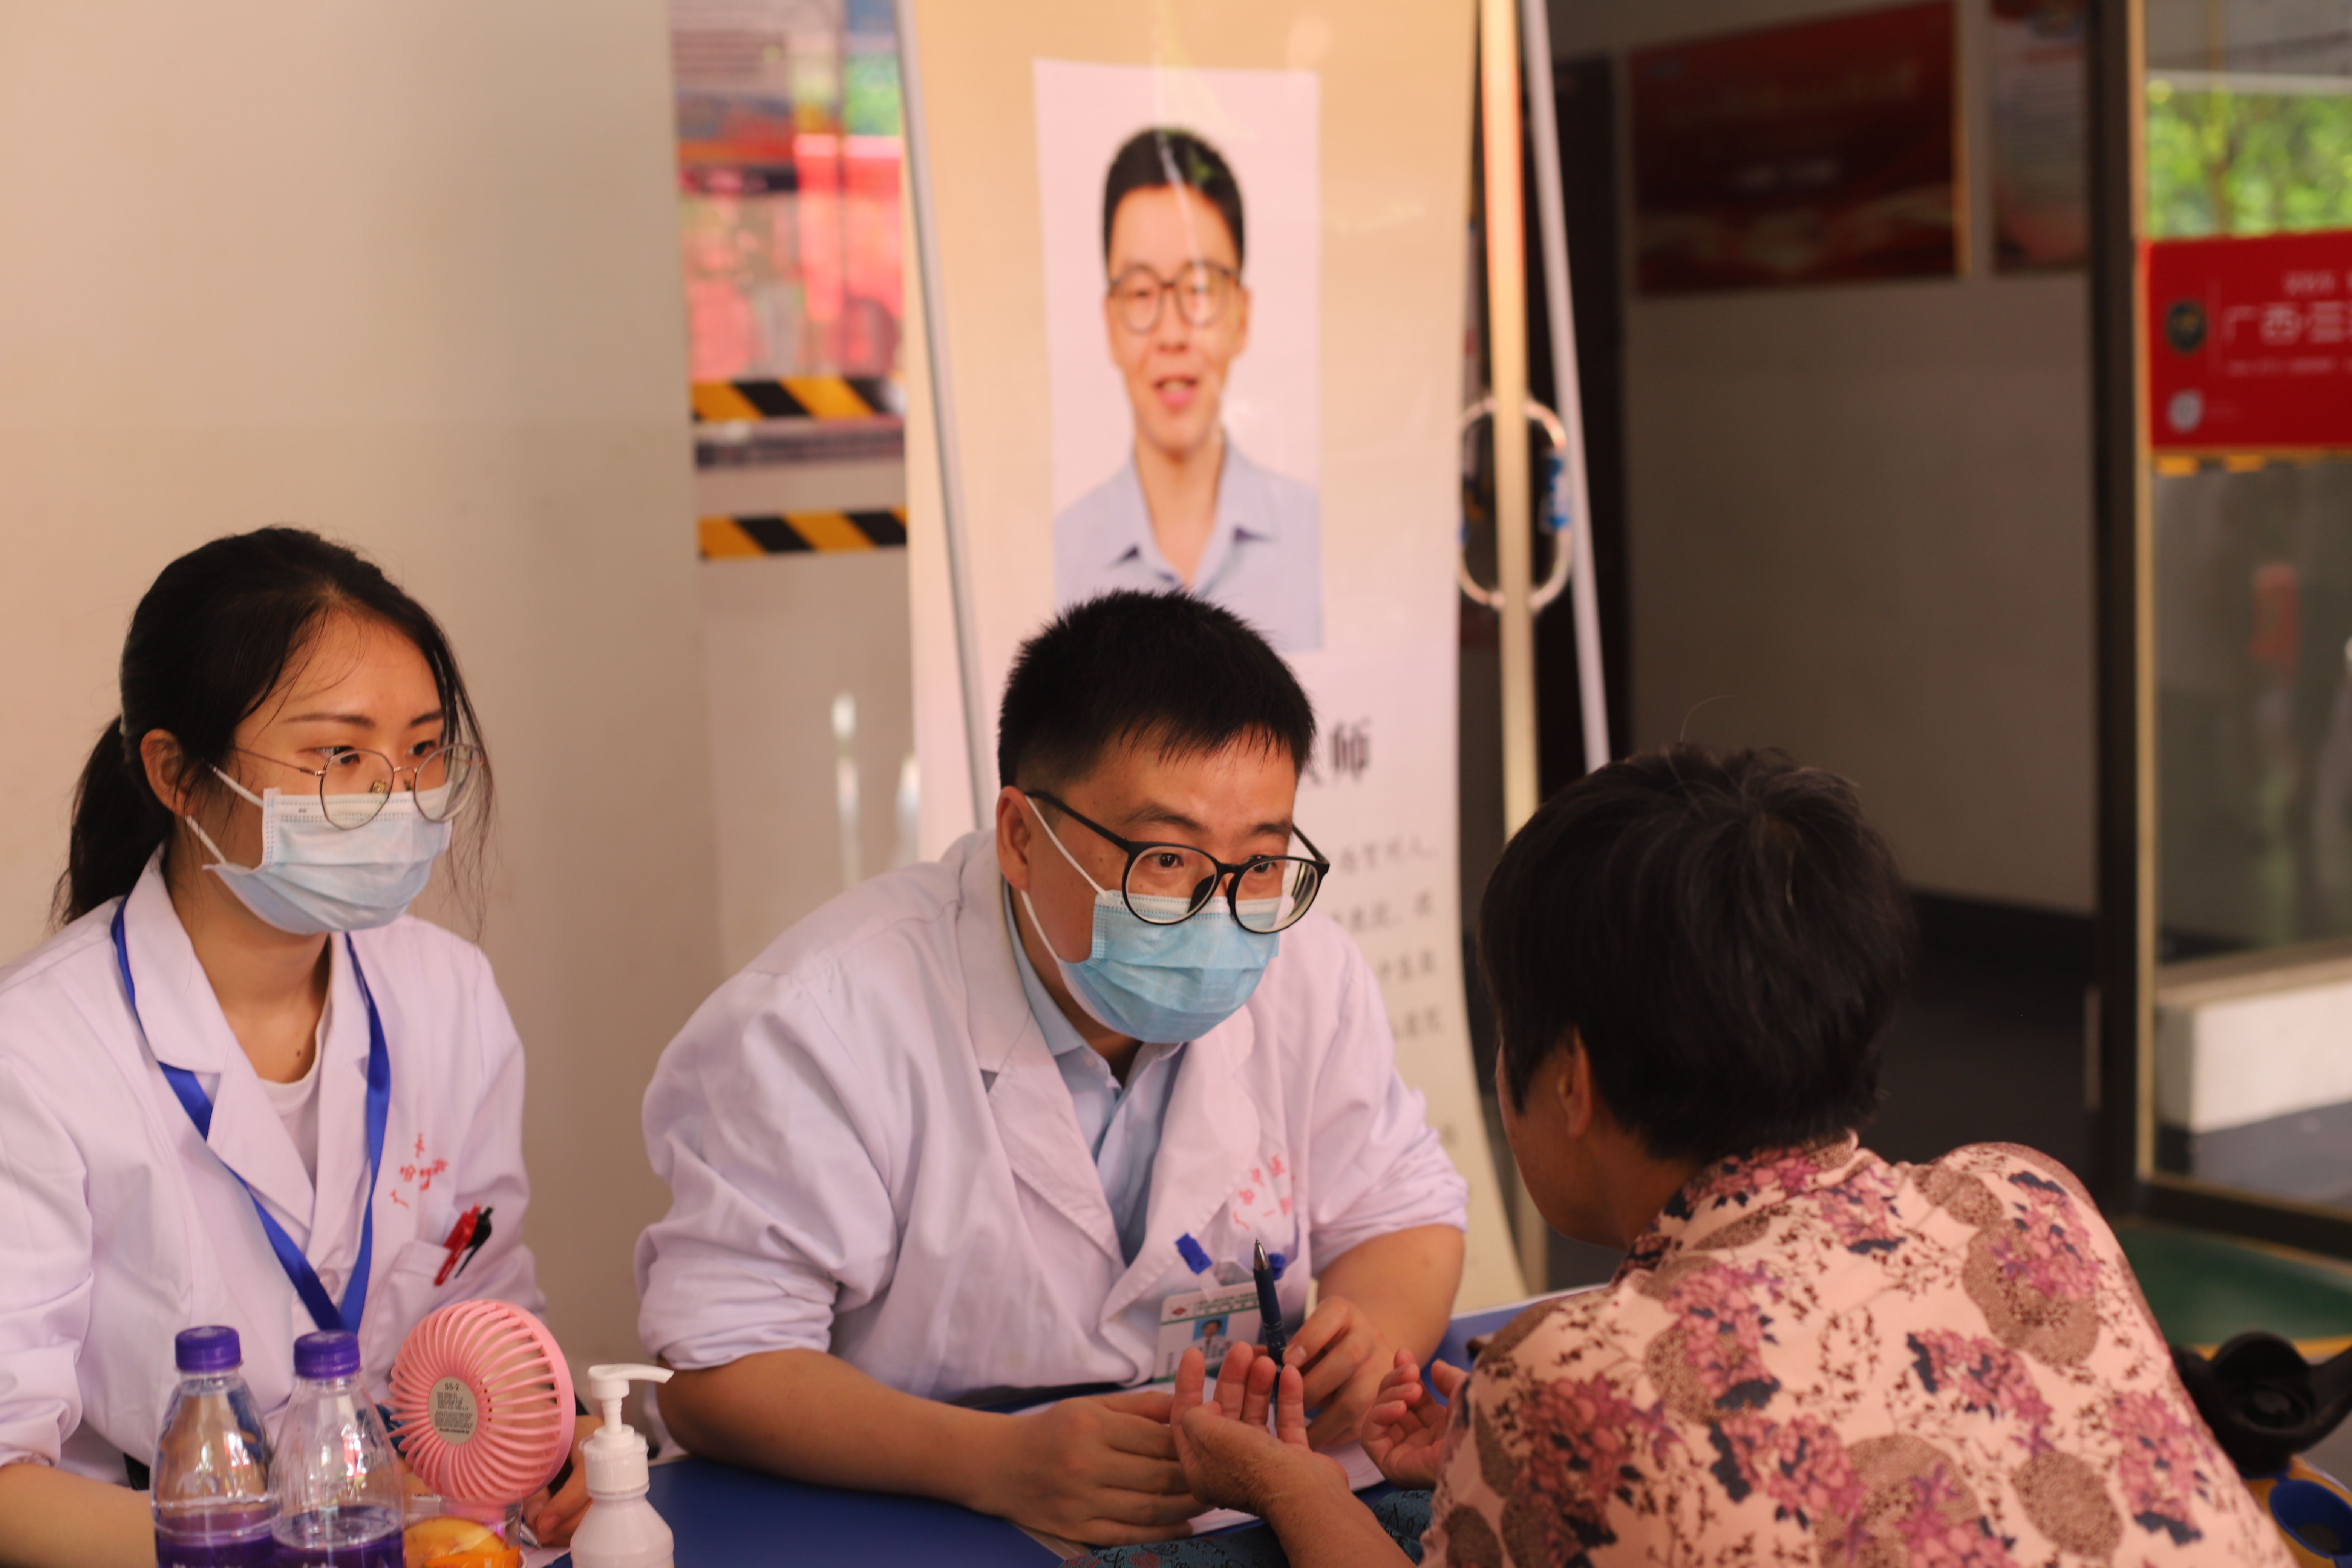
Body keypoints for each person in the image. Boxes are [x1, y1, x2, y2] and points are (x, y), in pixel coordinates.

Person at [1165, 746, 2293, 1567]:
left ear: (1572, 1079)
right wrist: (1491, 1459)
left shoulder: (1572, 1379)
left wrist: (1291, 1484)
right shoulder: (2028, 1195)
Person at [636, 590, 1464, 1546]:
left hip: (1234, 1512)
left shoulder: (1309, 974)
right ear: (1022, 838)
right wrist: (992, 1463)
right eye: (1167, 860)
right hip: (911, 1520)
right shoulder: (818, 1021)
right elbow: (715, 1365)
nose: (1221, 913)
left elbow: (1404, 1213)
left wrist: (1372, 1333)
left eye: (1263, 863)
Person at [0, 529, 592, 1566]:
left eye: (422, 750)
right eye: (339, 755)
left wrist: (542, 1431)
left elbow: (480, 1315)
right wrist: (277, 1547)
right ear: (178, 775)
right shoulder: (37, 1050)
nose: (395, 795)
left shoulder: (446, 993)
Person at [1053, 128, 1322, 654]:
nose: (1172, 334)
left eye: (1198, 288)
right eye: (1141, 292)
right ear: (1110, 323)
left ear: (1242, 316)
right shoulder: (1061, 556)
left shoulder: (1315, 537)